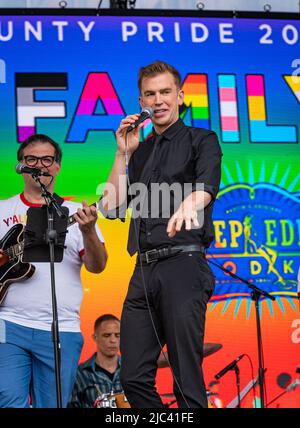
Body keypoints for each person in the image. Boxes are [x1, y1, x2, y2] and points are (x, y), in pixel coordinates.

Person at [99, 60, 222, 408]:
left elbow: (207, 185)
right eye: (150, 94)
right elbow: (110, 206)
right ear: (141, 102)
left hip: (183, 264)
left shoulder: (202, 139)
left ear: (180, 96)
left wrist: (190, 205)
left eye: (165, 92)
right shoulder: (139, 149)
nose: (158, 100)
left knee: (186, 380)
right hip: (143, 271)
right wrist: (123, 152)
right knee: (134, 378)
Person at [0, 134, 107, 408]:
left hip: (62, 328)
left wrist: (88, 231)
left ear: (57, 166)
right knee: (9, 401)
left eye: (47, 159)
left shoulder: (75, 211)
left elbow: (97, 266)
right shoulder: (2, 210)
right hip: (7, 324)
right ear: (21, 165)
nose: (40, 165)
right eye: (31, 159)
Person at [68, 314, 123, 408]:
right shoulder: (79, 374)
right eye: (107, 335)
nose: (113, 340)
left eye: (117, 335)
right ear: (95, 337)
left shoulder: (133, 370)